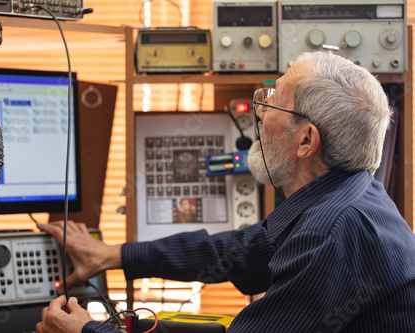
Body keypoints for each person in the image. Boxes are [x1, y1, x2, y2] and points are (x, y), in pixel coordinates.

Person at [35, 52, 415, 333]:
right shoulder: (348, 197)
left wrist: (88, 331)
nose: (260, 113)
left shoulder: (333, 231)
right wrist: (114, 255)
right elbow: (237, 253)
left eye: (272, 100)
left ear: (305, 140)